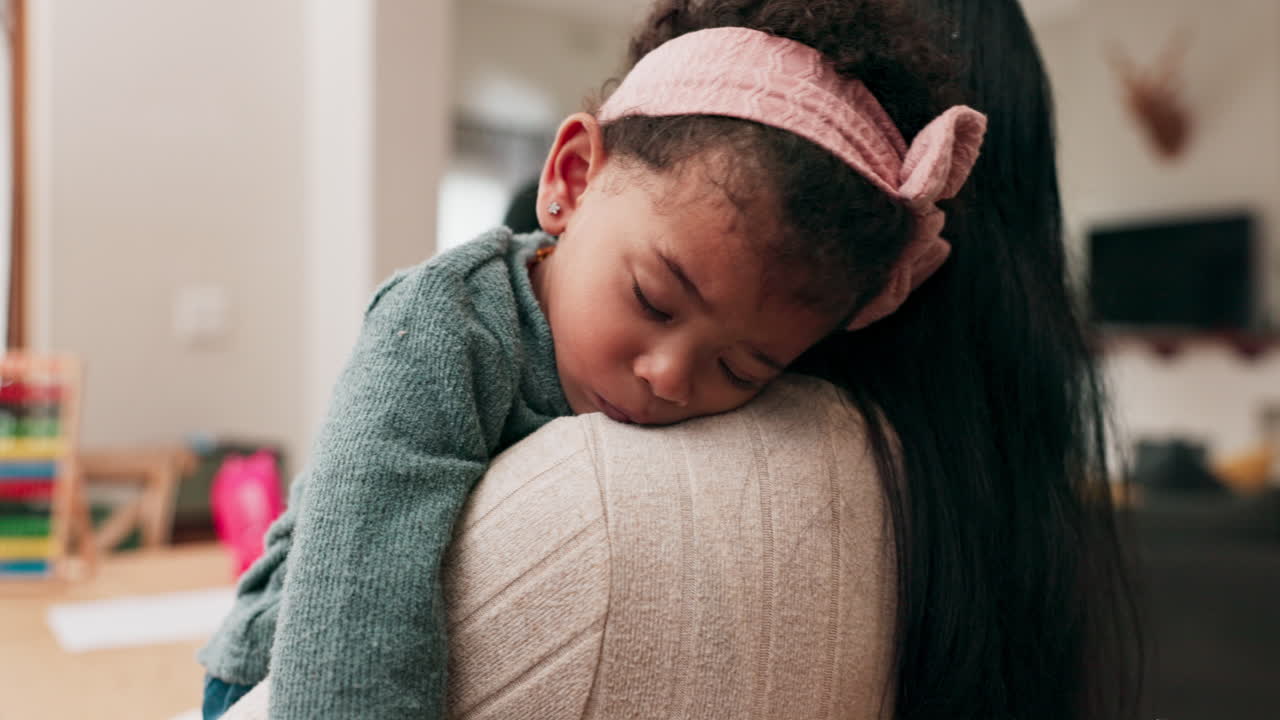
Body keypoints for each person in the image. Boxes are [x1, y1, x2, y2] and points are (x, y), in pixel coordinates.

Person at [198, 1, 986, 718]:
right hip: (285, 668)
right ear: (572, 179)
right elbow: (354, 593)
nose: (670, 376)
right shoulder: (443, 326)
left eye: (743, 370)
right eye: (652, 299)